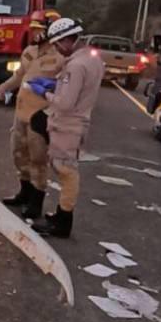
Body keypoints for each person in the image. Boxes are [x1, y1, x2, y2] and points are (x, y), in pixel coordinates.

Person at [31, 17, 105, 238]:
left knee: (66, 172)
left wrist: (44, 92)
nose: (56, 49)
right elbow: (78, 89)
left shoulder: (75, 65)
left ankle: (63, 222)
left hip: (67, 125)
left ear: (67, 41)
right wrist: (58, 85)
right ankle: (61, 216)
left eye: (57, 44)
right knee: (67, 171)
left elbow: (64, 103)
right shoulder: (92, 60)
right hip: (77, 122)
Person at [0, 10, 65, 220]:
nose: (34, 32)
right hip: (21, 113)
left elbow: (66, 87)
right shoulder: (29, 51)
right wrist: (4, 87)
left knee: (37, 159)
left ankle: (36, 201)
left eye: (39, 29)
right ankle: (24, 192)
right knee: (18, 153)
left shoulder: (60, 57)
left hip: (40, 116)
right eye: (33, 28)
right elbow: (19, 75)